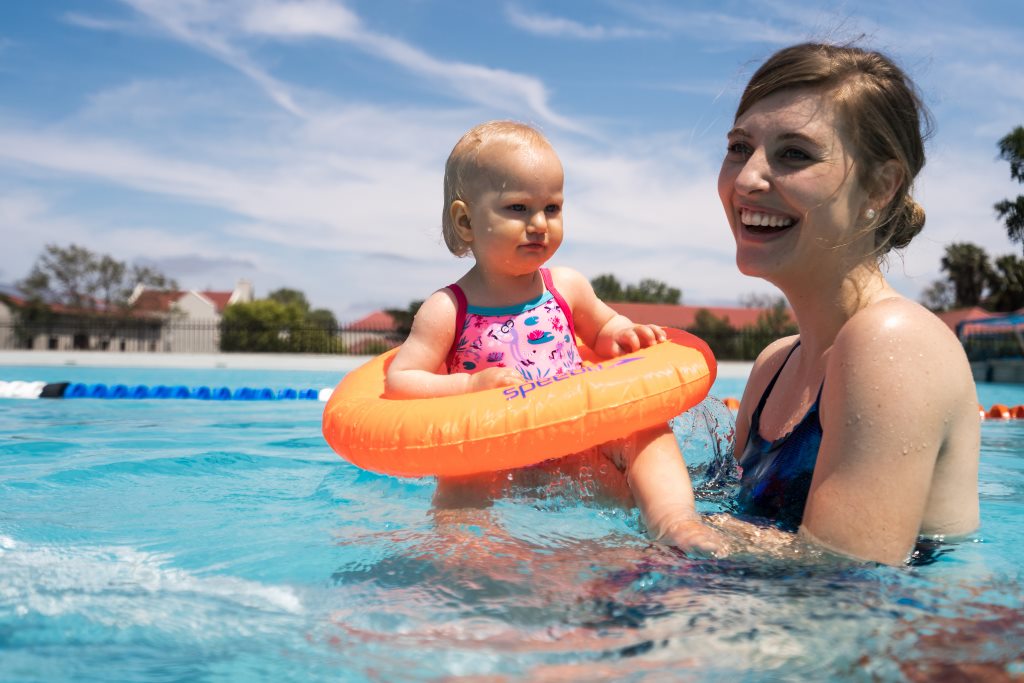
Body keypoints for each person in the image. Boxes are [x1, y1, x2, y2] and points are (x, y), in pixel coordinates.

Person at [386, 120, 724, 554]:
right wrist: (468, 385)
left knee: (645, 430)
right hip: (495, 449)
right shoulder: (448, 308)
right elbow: (403, 379)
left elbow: (603, 330)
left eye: (552, 208)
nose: (539, 223)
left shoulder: (565, 287)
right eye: (518, 208)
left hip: (575, 437)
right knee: (459, 474)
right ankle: (468, 552)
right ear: (466, 220)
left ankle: (676, 522)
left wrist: (624, 334)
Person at [716, 43, 980, 565]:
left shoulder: (895, 343)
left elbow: (843, 577)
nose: (747, 178)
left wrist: (667, 519)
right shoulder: (774, 365)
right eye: (740, 147)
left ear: (881, 186)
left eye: (795, 153)